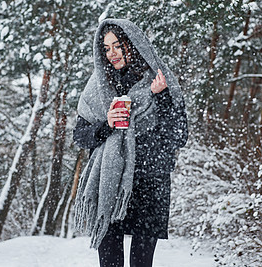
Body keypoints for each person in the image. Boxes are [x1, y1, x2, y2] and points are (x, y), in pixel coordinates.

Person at [73, 18, 188, 267]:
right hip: (110, 181)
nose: (112, 53)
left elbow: (178, 136)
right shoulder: (98, 86)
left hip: (150, 181)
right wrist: (107, 124)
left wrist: (162, 98)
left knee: (141, 263)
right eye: (106, 48)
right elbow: (80, 136)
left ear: (133, 44)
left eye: (117, 45)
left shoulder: (160, 79)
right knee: (110, 262)